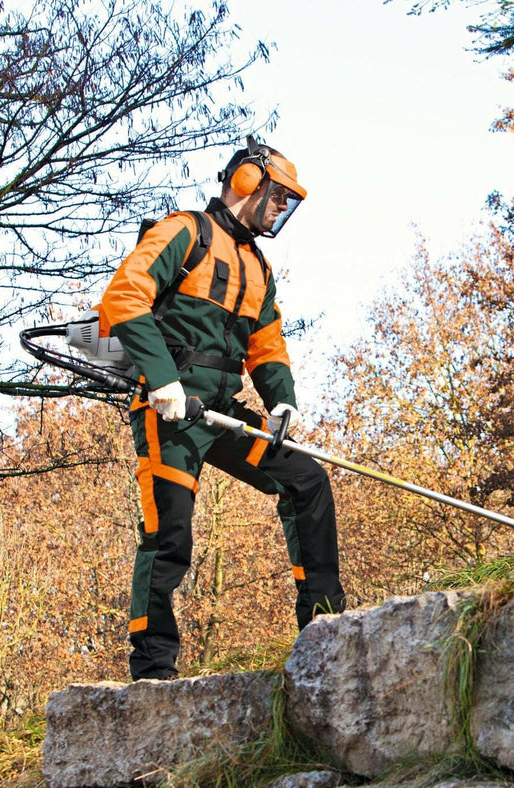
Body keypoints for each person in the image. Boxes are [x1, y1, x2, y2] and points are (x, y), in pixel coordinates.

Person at [98, 136, 346, 681]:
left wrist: (282, 399)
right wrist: (161, 380)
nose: (283, 209)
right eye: (279, 196)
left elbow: (267, 344)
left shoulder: (258, 267)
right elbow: (124, 297)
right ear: (247, 182)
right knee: (171, 534)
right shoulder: (184, 232)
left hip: (221, 410)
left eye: (289, 202)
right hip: (170, 410)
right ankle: (153, 665)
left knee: (305, 479)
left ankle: (325, 625)